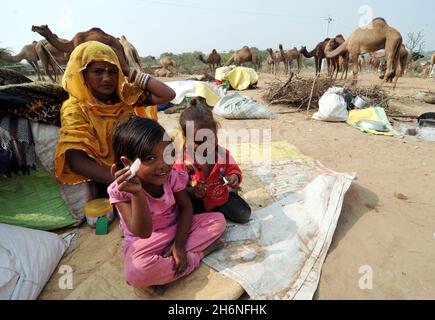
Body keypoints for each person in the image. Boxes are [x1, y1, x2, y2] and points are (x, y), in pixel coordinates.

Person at [108, 116, 226, 291]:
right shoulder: (121, 191)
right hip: (147, 241)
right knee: (135, 272)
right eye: (150, 158)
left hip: (176, 228)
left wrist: (179, 243)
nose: (163, 165)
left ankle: (168, 268)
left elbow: (186, 208)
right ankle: (195, 257)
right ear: (128, 163)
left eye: (167, 154)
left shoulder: (171, 177)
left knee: (218, 221)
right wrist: (137, 194)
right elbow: (143, 232)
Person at [54, 41, 175, 195]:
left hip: (144, 171)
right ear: (83, 74)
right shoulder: (75, 109)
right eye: (98, 72)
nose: (106, 78)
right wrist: (129, 179)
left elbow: (167, 94)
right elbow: (77, 161)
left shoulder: (124, 96)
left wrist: (127, 71)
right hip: (112, 182)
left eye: (112, 71)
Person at [175, 100, 252, 224]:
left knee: (244, 215)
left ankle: (229, 198)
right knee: (185, 221)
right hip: (196, 203)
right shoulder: (180, 162)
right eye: (198, 141)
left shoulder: (222, 154)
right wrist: (192, 192)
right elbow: (176, 188)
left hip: (220, 198)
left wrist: (234, 177)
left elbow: (234, 169)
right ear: (185, 138)